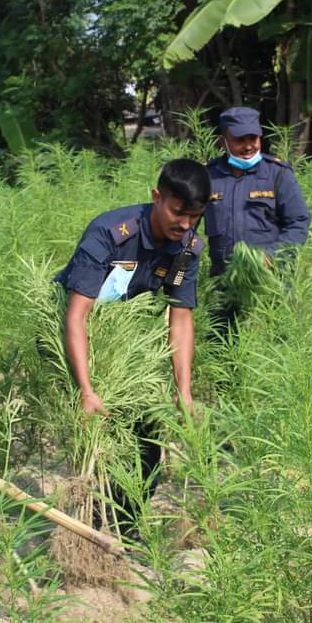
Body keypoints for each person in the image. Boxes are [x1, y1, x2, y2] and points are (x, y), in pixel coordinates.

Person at [54, 158, 208, 528]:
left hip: (124, 341)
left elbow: (181, 316)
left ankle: (122, 527)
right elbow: (77, 315)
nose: (185, 224)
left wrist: (183, 390)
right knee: (98, 436)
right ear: (157, 197)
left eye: (195, 216)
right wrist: (87, 390)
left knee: (147, 441)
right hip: (77, 338)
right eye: (178, 212)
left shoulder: (187, 247)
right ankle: (84, 523)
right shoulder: (110, 233)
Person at [205, 106, 311, 329]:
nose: (248, 146)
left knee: (275, 342)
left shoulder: (277, 173)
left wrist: (271, 257)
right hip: (223, 284)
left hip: (270, 281)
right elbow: (185, 223)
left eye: (253, 138)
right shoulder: (208, 176)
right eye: (239, 140)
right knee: (222, 347)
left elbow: (299, 221)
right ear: (223, 142)